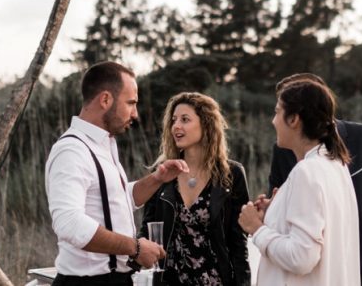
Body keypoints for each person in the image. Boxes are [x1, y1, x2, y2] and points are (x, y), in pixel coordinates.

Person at [46, 61, 190, 286]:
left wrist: (156, 179)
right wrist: (136, 248)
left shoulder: (103, 145)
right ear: (105, 100)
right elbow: (69, 223)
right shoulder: (71, 150)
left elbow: (115, 200)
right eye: (131, 103)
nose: (135, 114)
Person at [267, 73, 362, 286]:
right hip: (318, 274)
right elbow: (281, 202)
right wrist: (270, 208)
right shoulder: (283, 151)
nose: (276, 119)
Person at [238, 79, 360, 286]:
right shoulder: (334, 165)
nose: (273, 121)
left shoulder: (307, 171)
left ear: (294, 119)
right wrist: (275, 211)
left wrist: (256, 228)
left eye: (277, 112)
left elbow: (301, 258)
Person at [140, 92, 251, 286]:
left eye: (185, 119)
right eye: (174, 120)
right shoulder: (162, 174)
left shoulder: (232, 174)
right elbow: (146, 232)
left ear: (206, 124)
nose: (176, 126)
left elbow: (238, 243)